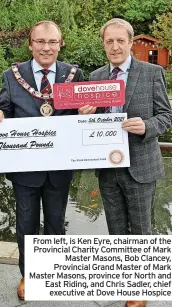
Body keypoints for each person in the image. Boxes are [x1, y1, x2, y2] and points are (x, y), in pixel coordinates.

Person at [79, 18, 172, 307]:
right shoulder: (94, 78)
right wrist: (85, 115)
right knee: (116, 227)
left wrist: (146, 126)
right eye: (110, 41)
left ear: (131, 43)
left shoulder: (152, 72)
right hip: (108, 168)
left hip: (141, 165)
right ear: (103, 44)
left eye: (121, 40)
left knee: (142, 228)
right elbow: (89, 127)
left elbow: (166, 117)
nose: (115, 46)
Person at [0, 20, 84, 300]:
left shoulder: (74, 74)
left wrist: (88, 111)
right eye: (40, 42)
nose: (46, 47)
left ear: (61, 43)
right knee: (26, 225)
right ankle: (28, 276)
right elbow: (4, 108)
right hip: (25, 168)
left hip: (59, 167)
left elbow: (82, 115)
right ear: (30, 44)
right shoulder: (12, 75)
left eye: (52, 42)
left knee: (56, 223)